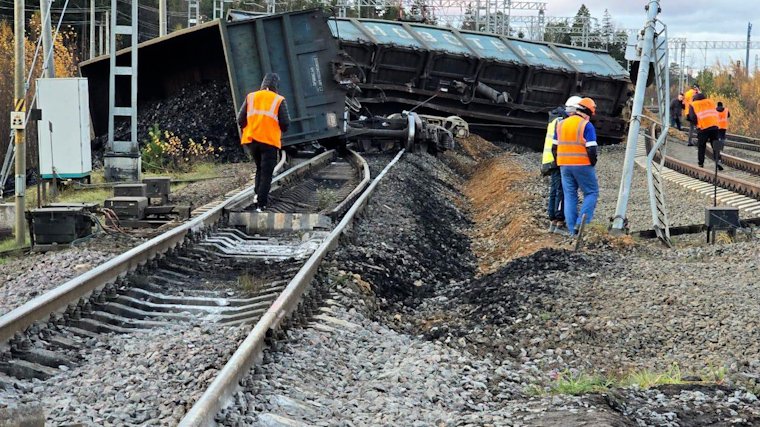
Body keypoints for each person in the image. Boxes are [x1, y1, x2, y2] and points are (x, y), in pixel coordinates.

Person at [237, 73, 291, 212]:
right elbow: (285, 122)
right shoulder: (278, 100)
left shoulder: (251, 96)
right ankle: (261, 203)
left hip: (252, 140)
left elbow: (240, 119)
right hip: (269, 141)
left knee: (259, 168)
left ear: (263, 83)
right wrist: (279, 130)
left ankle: (257, 195)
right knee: (267, 172)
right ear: (276, 86)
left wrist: (250, 128)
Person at [552, 97, 599, 235]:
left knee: (570, 196)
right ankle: (581, 224)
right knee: (591, 192)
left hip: (564, 165)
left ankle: (572, 231)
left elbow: (554, 147)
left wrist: (560, 161)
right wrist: (592, 162)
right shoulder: (586, 125)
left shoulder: (561, 124)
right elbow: (591, 149)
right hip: (582, 164)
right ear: (587, 113)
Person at [541, 99, 579, 236]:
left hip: (550, 160)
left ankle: (552, 221)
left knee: (554, 190)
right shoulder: (561, 122)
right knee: (561, 191)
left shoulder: (555, 119)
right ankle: (559, 222)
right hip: (557, 160)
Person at [688, 92, 722, 171]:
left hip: (703, 127)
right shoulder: (711, 101)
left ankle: (701, 163)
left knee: (701, 146)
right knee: (716, 144)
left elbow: (692, 117)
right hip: (714, 126)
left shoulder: (693, 104)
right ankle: (718, 160)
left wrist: (697, 124)